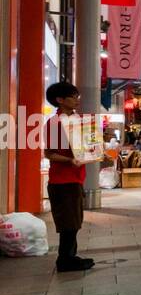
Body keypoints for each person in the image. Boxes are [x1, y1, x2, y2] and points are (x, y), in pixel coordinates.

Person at [42, 82, 95, 272]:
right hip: (62, 180)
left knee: (74, 220)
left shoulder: (77, 121)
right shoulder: (56, 123)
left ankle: (70, 257)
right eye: (73, 96)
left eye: (77, 96)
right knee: (68, 223)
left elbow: (87, 147)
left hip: (75, 178)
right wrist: (69, 160)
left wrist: (96, 151)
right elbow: (49, 153)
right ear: (60, 100)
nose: (77, 100)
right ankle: (65, 260)